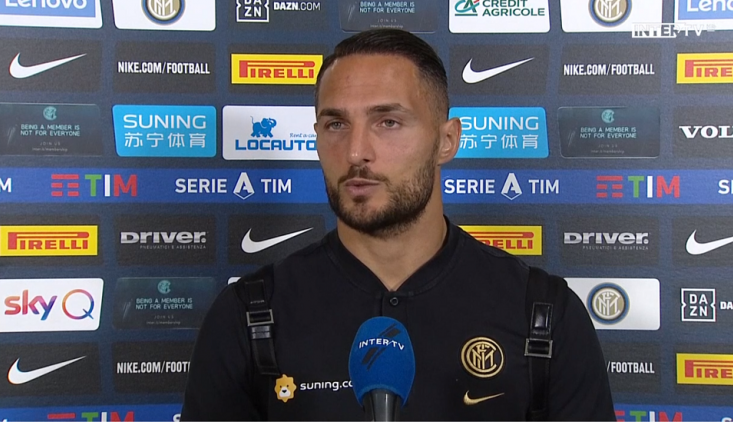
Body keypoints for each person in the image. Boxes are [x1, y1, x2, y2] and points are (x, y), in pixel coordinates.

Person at [181, 28, 615, 421]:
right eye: (336, 124)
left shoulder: (543, 313)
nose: (356, 151)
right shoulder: (248, 315)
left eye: (387, 122)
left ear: (446, 140)